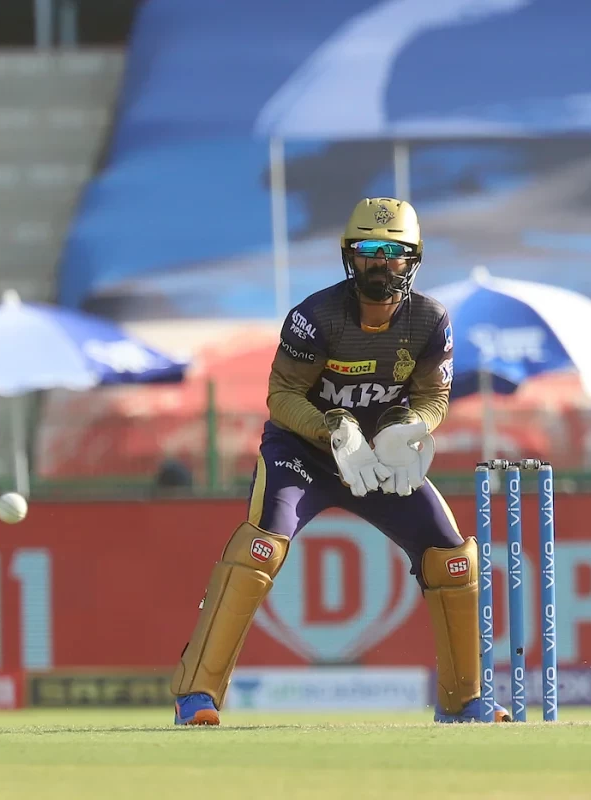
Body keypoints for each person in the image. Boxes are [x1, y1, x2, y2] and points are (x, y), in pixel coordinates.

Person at [171, 197, 507, 724]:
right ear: (350, 255)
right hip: (303, 453)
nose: (381, 263)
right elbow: (282, 395)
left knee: (450, 557)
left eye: (394, 252)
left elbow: (433, 397)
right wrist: (332, 429)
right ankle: (196, 695)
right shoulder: (316, 316)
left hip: (378, 459)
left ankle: (463, 702)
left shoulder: (430, 319)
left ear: (413, 258)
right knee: (260, 548)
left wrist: (409, 429)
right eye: (369, 250)